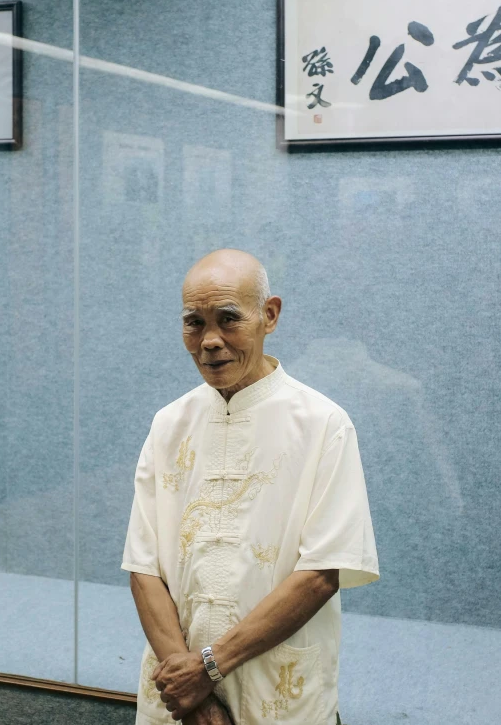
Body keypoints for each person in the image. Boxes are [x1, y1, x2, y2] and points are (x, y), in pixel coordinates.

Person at [121, 248, 379, 725]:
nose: (210, 341)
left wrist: (207, 668)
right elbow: (143, 567)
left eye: (228, 319)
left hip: (279, 690)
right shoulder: (168, 424)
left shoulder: (323, 424)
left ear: (270, 315)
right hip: (177, 695)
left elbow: (323, 571)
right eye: (194, 323)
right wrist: (193, 693)